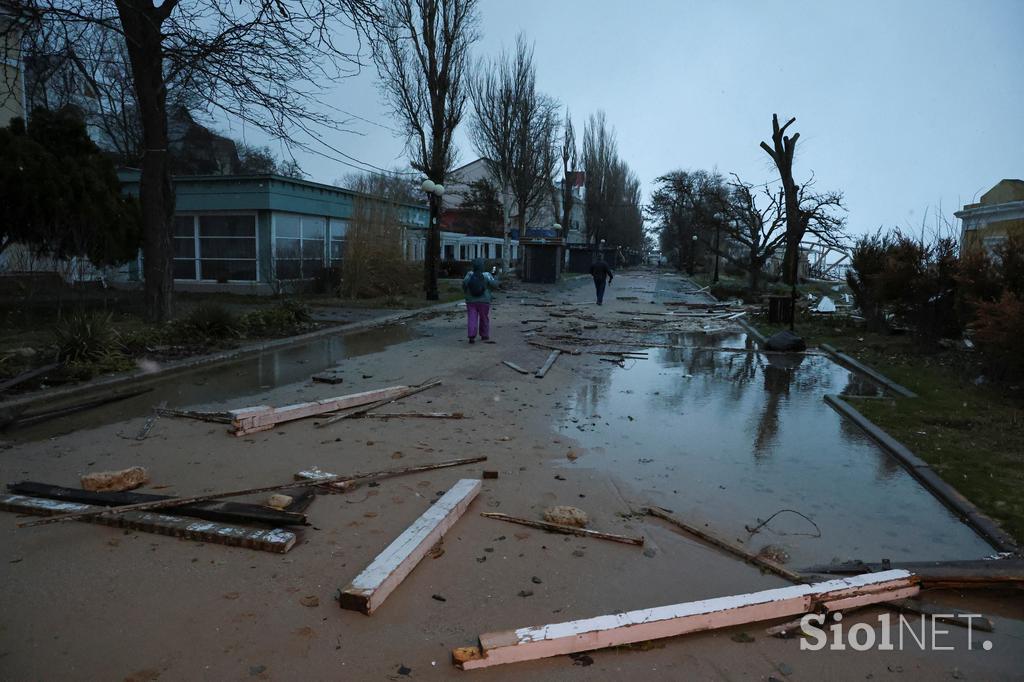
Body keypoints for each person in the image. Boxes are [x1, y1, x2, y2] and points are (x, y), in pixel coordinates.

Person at [462, 258, 498, 343]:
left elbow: (464, 284)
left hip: (470, 301)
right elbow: (494, 285)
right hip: (484, 301)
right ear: (482, 266)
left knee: (472, 317)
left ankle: (471, 336)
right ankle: (484, 335)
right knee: (484, 317)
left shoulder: (469, 274)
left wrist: (466, 293)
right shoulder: (487, 275)